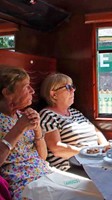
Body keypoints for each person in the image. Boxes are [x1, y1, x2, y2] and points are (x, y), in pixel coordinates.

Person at [0, 67, 53, 200]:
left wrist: (37, 129)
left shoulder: (21, 116)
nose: (32, 91)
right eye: (26, 87)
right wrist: (19, 129)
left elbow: (43, 156)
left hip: (46, 175)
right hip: (23, 186)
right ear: (7, 93)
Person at [39, 73, 108, 171]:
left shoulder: (75, 112)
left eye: (72, 87)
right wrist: (89, 153)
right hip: (71, 168)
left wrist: (105, 148)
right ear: (53, 94)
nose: (73, 90)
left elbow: (96, 131)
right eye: (68, 87)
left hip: (93, 161)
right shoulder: (47, 115)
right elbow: (56, 148)